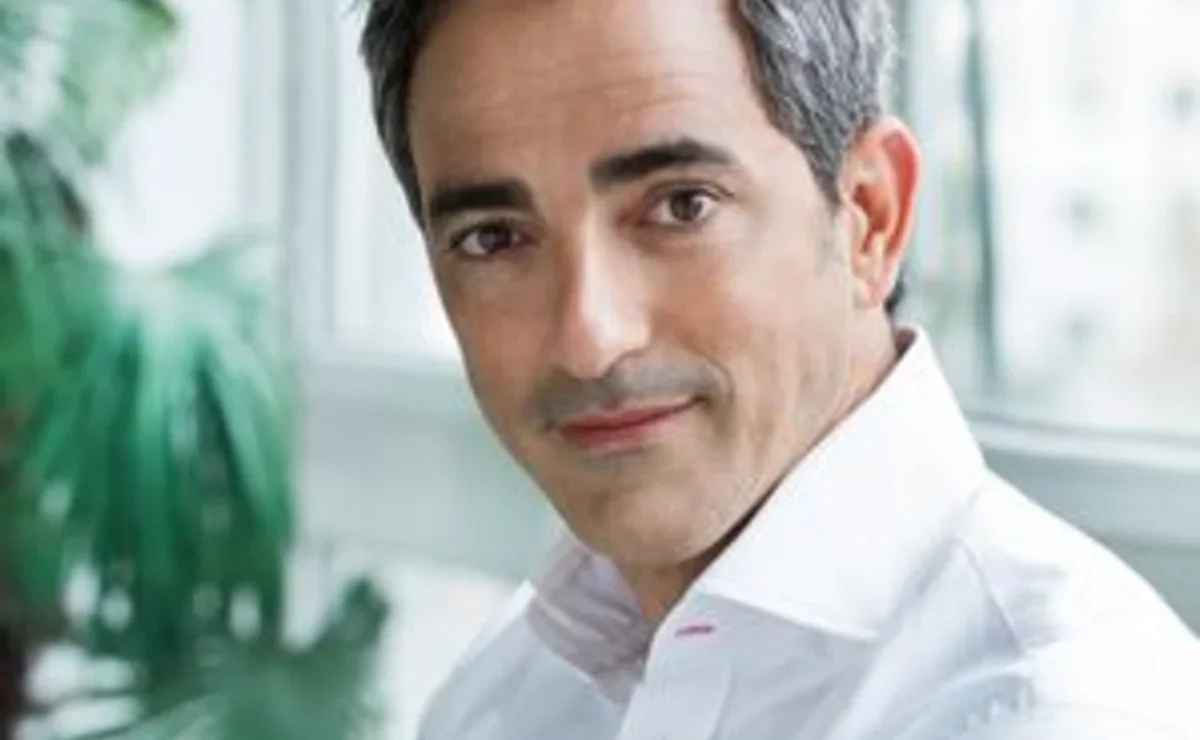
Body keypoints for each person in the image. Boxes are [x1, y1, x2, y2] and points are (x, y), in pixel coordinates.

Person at [359, 0, 1200, 737]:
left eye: (682, 206)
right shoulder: (502, 695)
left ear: (869, 216)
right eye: (493, 239)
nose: (590, 340)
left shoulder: (1057, 714)